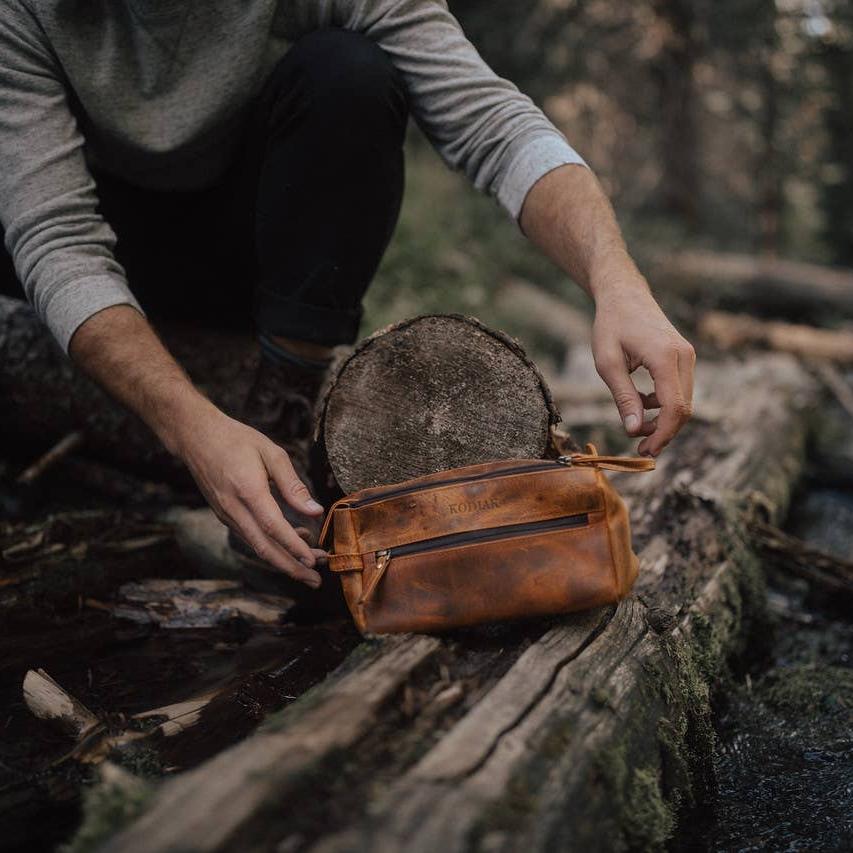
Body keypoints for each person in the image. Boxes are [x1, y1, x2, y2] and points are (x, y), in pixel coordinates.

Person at [0, 1, 695, 590]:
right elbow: (56, 239)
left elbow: (492, 122)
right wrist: (192, 428)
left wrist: (617, 281)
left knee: (349, 75)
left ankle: (282, 420)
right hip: (105, 262)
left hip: (252, 254)